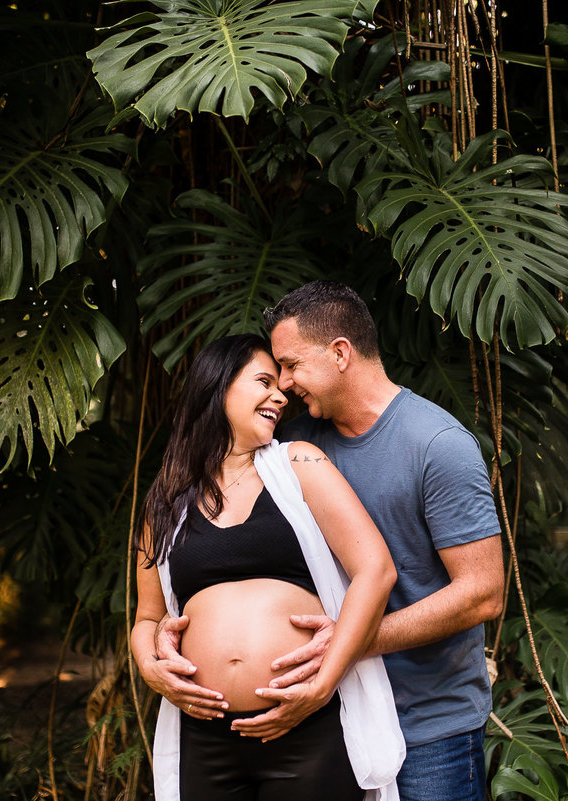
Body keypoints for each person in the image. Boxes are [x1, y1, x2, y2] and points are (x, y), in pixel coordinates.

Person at [155, 283, 503, 798]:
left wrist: (344, 645)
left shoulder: (437, 445)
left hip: (426, 719)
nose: (284, 384)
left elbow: (483, 593)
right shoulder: (289, 446)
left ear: (340, 353)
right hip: (336, 712)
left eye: (291, 365)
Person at [131, 333, 405, 801]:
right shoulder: (165, 502)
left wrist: (322, 686)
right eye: (264, 382)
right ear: (218, 386)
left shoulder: (300, 463)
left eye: (280, 387)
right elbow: (147, 617)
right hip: (205, 735)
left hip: (307, 727)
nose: (280, 396)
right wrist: (149, 667)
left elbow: (376, 570)